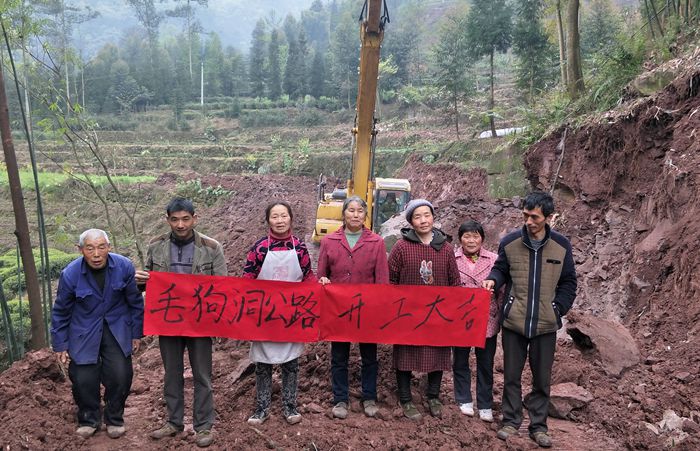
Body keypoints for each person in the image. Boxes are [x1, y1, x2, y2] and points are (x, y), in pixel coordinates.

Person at [482, 191, 577, 448]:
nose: (528, 221)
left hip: (545, 324)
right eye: (525, 215)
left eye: (534, 217)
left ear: (549, 217)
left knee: (542, 380)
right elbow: (501, 269)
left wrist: (557, 309)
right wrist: (493, 280)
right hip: (514, 321)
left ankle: (538, 426)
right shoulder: (510, 242)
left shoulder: (561, 246)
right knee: (511, 376)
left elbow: (569, 282)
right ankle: (511, 421)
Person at [136, 197, 227, 448]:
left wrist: (218, 321)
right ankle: (173, 422)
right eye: (175, 219)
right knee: (172, 374)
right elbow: (148, 281)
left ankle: (204, 425)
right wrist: (140, 281)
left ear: (195, 219)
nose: (180, 224)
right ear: (167, 220)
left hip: (200, 322)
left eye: (185, 219)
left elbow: (222, 287)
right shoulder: (156, 246)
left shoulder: (211, 247)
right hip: (168, 321)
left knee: (202, 375)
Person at [51, 229, 143, 440]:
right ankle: (89, 419)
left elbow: (135, 302)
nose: (96, 254)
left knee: (121, 374)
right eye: (90, 248)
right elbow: (61, 311)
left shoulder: (124, 266)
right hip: (83, 330)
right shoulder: (70, 274)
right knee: (83, 377)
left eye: (101, 247)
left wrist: (136, 333)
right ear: (80, 250)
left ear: (109, 247)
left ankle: (114, 418)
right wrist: (60, 344)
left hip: (116, 327)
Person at [242, 201, 316, 426]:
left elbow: (308, 276)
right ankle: (262, 409)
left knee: (291, 363)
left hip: (291, 315)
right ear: (268, 220)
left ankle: (290, 406)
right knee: (263, 365)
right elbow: (247, 280)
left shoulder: (299, 247)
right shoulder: (259, 248)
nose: (280, 220)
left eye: (284, 215)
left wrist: (318, 290)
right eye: (275, 216)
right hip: (265, 315)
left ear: (291, 218)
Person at [387, 199, 460, 420]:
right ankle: (406, 398)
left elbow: (455, 282)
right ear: (411, 221)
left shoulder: (445, 249)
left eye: (427, 215)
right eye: (417, 217)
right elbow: (391, 281)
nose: (423, 220)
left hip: (437, 314)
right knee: (405, 354)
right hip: (408, 314)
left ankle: (433, 396)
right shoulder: (401, 247)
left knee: (437, 352)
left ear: (433, 217)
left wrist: (452, 309)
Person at [317, 196, 389, 419]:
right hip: (338, 309)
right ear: (344, 213)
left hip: (367, 310)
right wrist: (323, 281)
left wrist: (379, 308)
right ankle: (340, 399)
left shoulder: (376, 242)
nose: (355, 215)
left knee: (369, 356)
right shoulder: (329, 241)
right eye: (351, 210)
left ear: (365, 215)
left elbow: (382, 280)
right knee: (339, 356)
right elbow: (321, 274)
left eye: (360, 211)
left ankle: (369, 397)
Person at [452, 220, 503, 423]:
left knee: (485, 363)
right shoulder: (452, 259)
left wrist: (500, 315)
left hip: (487, 319)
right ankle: (463, 399)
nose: (471, 240)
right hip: (460, 320)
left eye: (475, 236)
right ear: (460, 239)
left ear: (482, 238)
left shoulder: (494, 260)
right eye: (467, 236)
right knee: (460, 361)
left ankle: (485, 404)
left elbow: (501, 290)